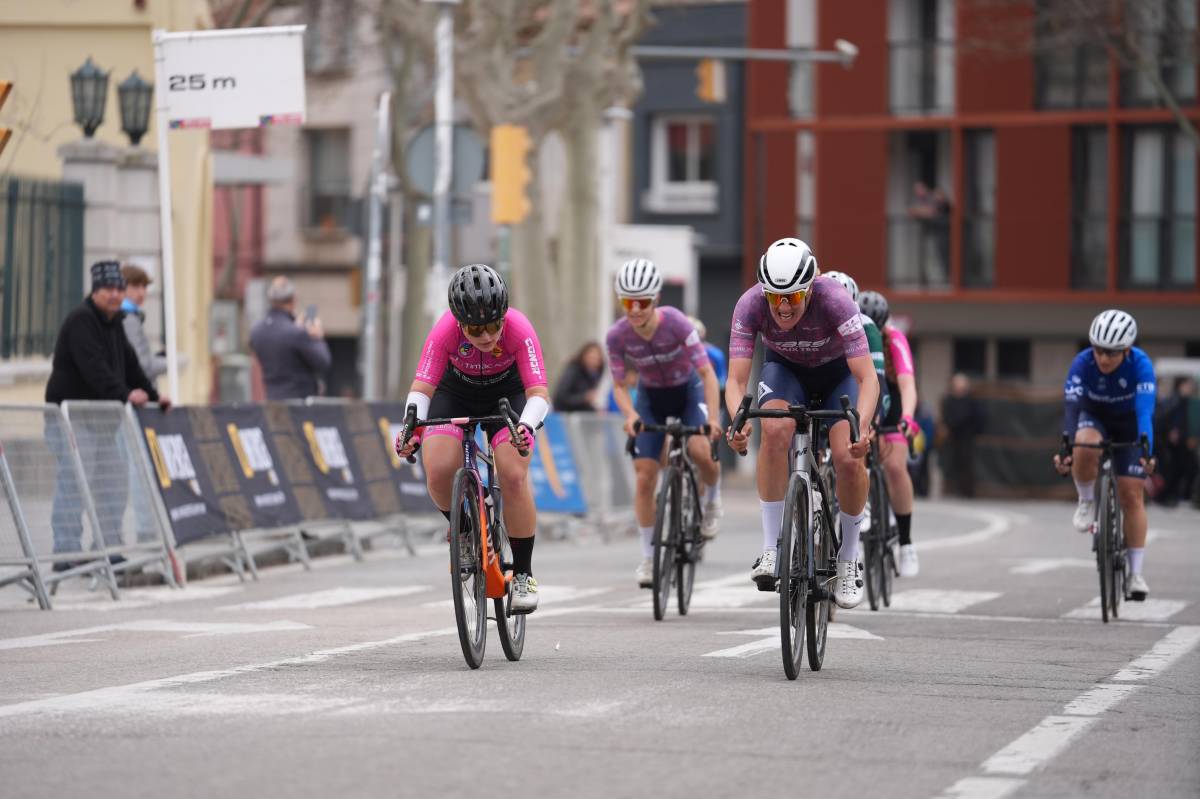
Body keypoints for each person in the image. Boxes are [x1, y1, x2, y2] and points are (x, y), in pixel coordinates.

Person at [725, 238, 878, 609]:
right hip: (785, 372)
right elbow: (735, 381)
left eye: (792, 297)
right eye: (774, 297)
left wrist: (863, 427)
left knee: (847, 456)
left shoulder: (835, 299)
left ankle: (848, 560)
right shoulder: (749, 305)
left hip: (836, 375)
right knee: (775, 430)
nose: (782, 307)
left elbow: (867, 378)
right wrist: (738, 423)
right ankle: (770, 550)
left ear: (810, 289)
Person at [395, 264, 549, 613]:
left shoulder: (519, 329)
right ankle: (464, 530)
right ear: (459, 321)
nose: (487, 336)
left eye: (494, 325)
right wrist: (410, 429)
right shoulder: (444, 331)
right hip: (456, 391)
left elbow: (538, 392)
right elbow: (422, 388)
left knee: (513, 473)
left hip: (507, 397)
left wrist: (524, 427)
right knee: (438, 469)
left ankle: (523, 573)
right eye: (476, 329)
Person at [606, 259, 723, 588]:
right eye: (628, 303)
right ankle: (648, 556)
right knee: (644, 477)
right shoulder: (617, 335)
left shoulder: (677, 323)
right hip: (650, 398)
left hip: (687, 392)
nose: (635, 310)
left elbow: (706, 374)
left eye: (642, 302)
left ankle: (712, 499)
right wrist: (630, 414)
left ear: (655, 299)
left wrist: (713, 419)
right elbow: (617, 385)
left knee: (701, 451)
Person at [44, 260, 171, 564]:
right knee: (74, 484)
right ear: (95, 290)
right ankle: (66, 551)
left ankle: (108, 548)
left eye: (119, 288)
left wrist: (154, 397)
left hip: (103, 421)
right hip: (72, 420)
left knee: (112, 486)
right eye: (108, 289)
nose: (115, 294)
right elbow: (94, 369)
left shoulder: (115, 324)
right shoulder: (81, 320)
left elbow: (131, 367)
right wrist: (125, 394)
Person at [1053, 309, 1157, 601]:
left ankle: (1135, 574)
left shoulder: (1141, 366)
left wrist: (1149, 451)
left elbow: (1145, 412)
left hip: (1128, 424)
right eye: (1098, 350)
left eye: (1111, 353)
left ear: (1126, 350)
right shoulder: (1082, 364)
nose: (1103, 358)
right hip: (1093, 417)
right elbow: (1071, 410)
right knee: (1084, 444)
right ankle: (1086, 500)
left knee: (1131, 495)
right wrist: (1066, 449)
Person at [858, 290, 921, 577]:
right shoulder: (852, 334)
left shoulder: (895, 339)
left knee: (895, 466)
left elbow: (907, 384)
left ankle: (906, 542)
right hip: (864, 395)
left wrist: (907, 417)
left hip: (892, 399)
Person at [249, 276, 331, 400]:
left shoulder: (257, 331)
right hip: (297, 407)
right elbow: (323, 361)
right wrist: (316, 337)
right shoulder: (296, 333)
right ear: (293, 300)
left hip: (272, 401)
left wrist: (296, 328)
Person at [940, 372, 986, 498]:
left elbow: (976, 418)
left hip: (966, 437)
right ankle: (952, 489)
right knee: (951, 462)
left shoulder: (971, 401)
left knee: (966, 464)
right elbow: (947, 417)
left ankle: (967, 491)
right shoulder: (949, 400)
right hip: (952, 437)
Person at [119, 264, 167, 382]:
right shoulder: (127, 318)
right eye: (135, 286)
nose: (141, 293)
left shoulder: (130, 315)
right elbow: (141, 365)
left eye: (144, 286)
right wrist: (172, 363)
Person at [1158, 376, 1197, 507]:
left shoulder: (1185, 400)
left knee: (1180, 468)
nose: (1190, 388)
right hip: (1176, 441)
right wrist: (1172, 431)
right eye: (1188, 385)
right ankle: (1169, 496)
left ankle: (1173, 496)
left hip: (1182, 439)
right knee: (1179, 468)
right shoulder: (1176, 400)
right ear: (1181, 385)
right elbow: (1169, 417)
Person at [553, 341, 605, 412]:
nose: (594, 362)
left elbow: (584, 405)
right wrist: (584, 398)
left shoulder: (595, 375)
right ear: (584, 356)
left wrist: (596, 411)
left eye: (597, 359)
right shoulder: (573, 370)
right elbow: (560, 398)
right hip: (563, 415)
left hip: (579, 415)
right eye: (591, 357)